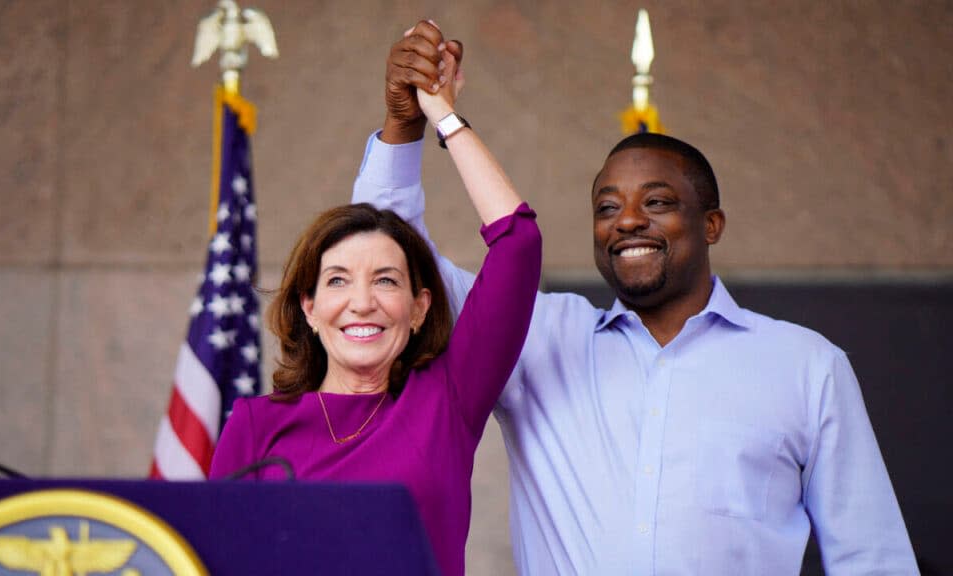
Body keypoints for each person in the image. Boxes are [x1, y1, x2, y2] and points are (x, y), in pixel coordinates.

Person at [352, 20, 918, 576]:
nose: (626, 221)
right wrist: (404, 125)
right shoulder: (534, 336)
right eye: (606, 207)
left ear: (712, 224)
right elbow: (388, 263)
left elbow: (871, 558)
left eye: (657, 203)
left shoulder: (807, 367)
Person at [209, 40, 541, 576]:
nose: (361, 303)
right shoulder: (256, 423)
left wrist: (443, 114)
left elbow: (518, 244)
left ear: (418, 308)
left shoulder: (445, 400)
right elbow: (212, 558)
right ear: (310, 309)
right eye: (338, 281)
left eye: (386, 280)